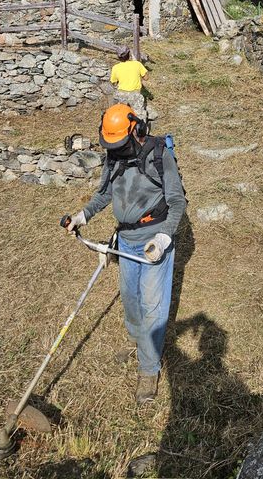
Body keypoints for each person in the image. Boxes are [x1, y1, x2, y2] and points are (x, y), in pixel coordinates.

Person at [66, 103, 186, 405]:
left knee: (152, 306)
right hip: (126, 240)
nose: (115, 152)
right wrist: (83, 216)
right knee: (131, 300)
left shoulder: (159, 155)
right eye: (112, 146)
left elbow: (177, 201)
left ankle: (149, 369)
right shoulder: (115, 156)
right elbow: (105, 193)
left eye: (120, 145)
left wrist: (163, 237)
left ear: (137, 130)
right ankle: (139, 342)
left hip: (153, 242)